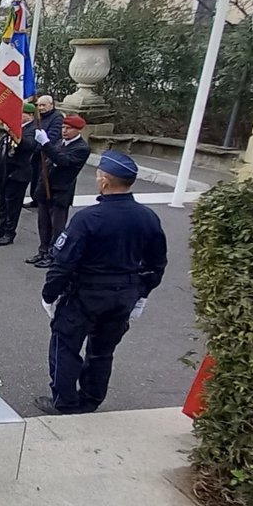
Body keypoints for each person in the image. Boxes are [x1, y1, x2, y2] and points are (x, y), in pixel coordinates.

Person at [36, 151, 168, 416]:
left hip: (86, 294)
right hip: (123, 295)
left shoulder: (88, 219)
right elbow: (157, 263)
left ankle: (64, 402)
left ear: (105, 181)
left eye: (98, 176)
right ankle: (91, 399)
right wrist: (141, 293)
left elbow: (63, 263)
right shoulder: (148, 217)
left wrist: (49, 294)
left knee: (66, 346)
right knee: (102, 351)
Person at [27, 115, 91, 268]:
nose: (64, 130)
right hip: (45, 189)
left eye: (69, 128)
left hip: (60, 192)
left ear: (78, 130)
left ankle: (53, 255)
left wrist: (46, 144)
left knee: (57, 227)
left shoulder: (81, 148)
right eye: (63, 127)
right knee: (43, 224)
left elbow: (63, 161)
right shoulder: (59, 142)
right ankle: (42, 251)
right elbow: (48, 162)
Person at [0, 102, 37, 246]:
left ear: (31, 115)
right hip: (4, 171)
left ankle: (9, 232)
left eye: (22, 114)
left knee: (13, 205)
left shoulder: (33, 130)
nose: (18, 117)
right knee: (2, 202)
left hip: (18, 172)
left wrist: (14, 132)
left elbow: (28, 145)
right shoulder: (16, 128)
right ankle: (0, 228)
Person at [25, 95, 64, 211]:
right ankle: (35, 198)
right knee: (35, 176)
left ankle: (42, 199)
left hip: (47, 152)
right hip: (35, 151)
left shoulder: (57, 117)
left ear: (51, 105)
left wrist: (40, 147)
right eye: (38, 105)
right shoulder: (38, 117)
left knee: (42, 177)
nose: (40, 108)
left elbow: (53, 136)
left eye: (43, 105)